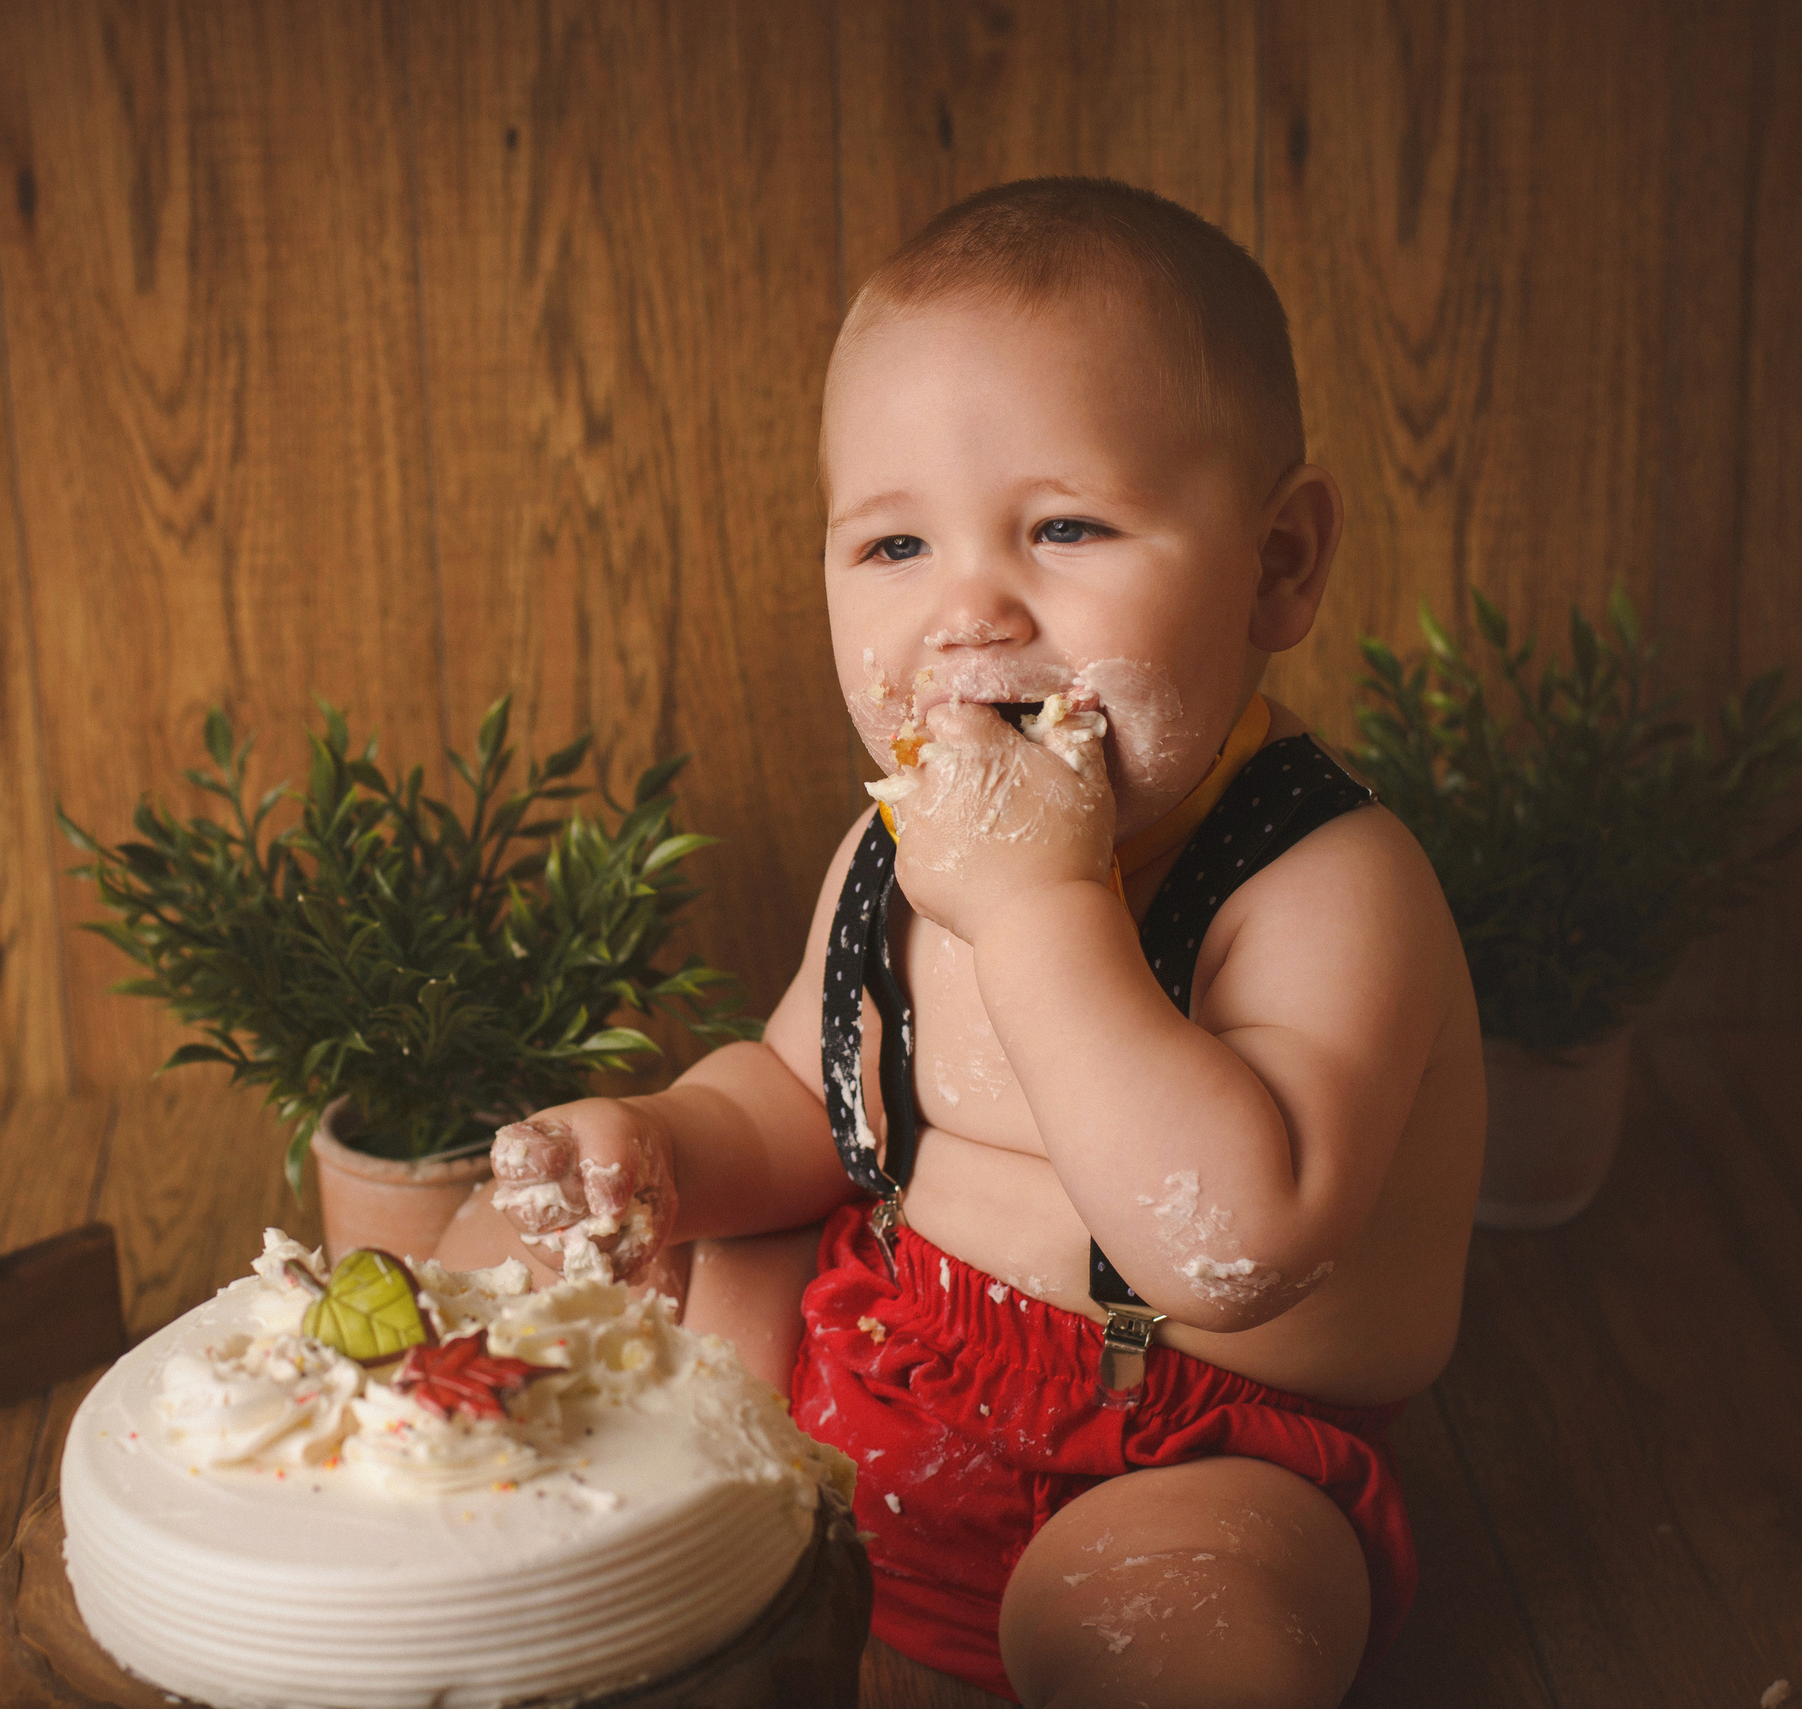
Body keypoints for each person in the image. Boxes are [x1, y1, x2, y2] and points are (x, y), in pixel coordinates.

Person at [436, 177, 1484, 1709]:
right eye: (892, 549)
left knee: (1175, 1623)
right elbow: (807, 1106)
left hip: (1192, 1445)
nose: (967, 609)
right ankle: (532, 1581)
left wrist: (1043, 907)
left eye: (1064, 526)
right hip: (886, 1361)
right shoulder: (894, 847)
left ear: (1280, 564)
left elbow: (1235, 1244)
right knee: (524, 1261)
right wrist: (658, 1143)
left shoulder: (1324, 887)